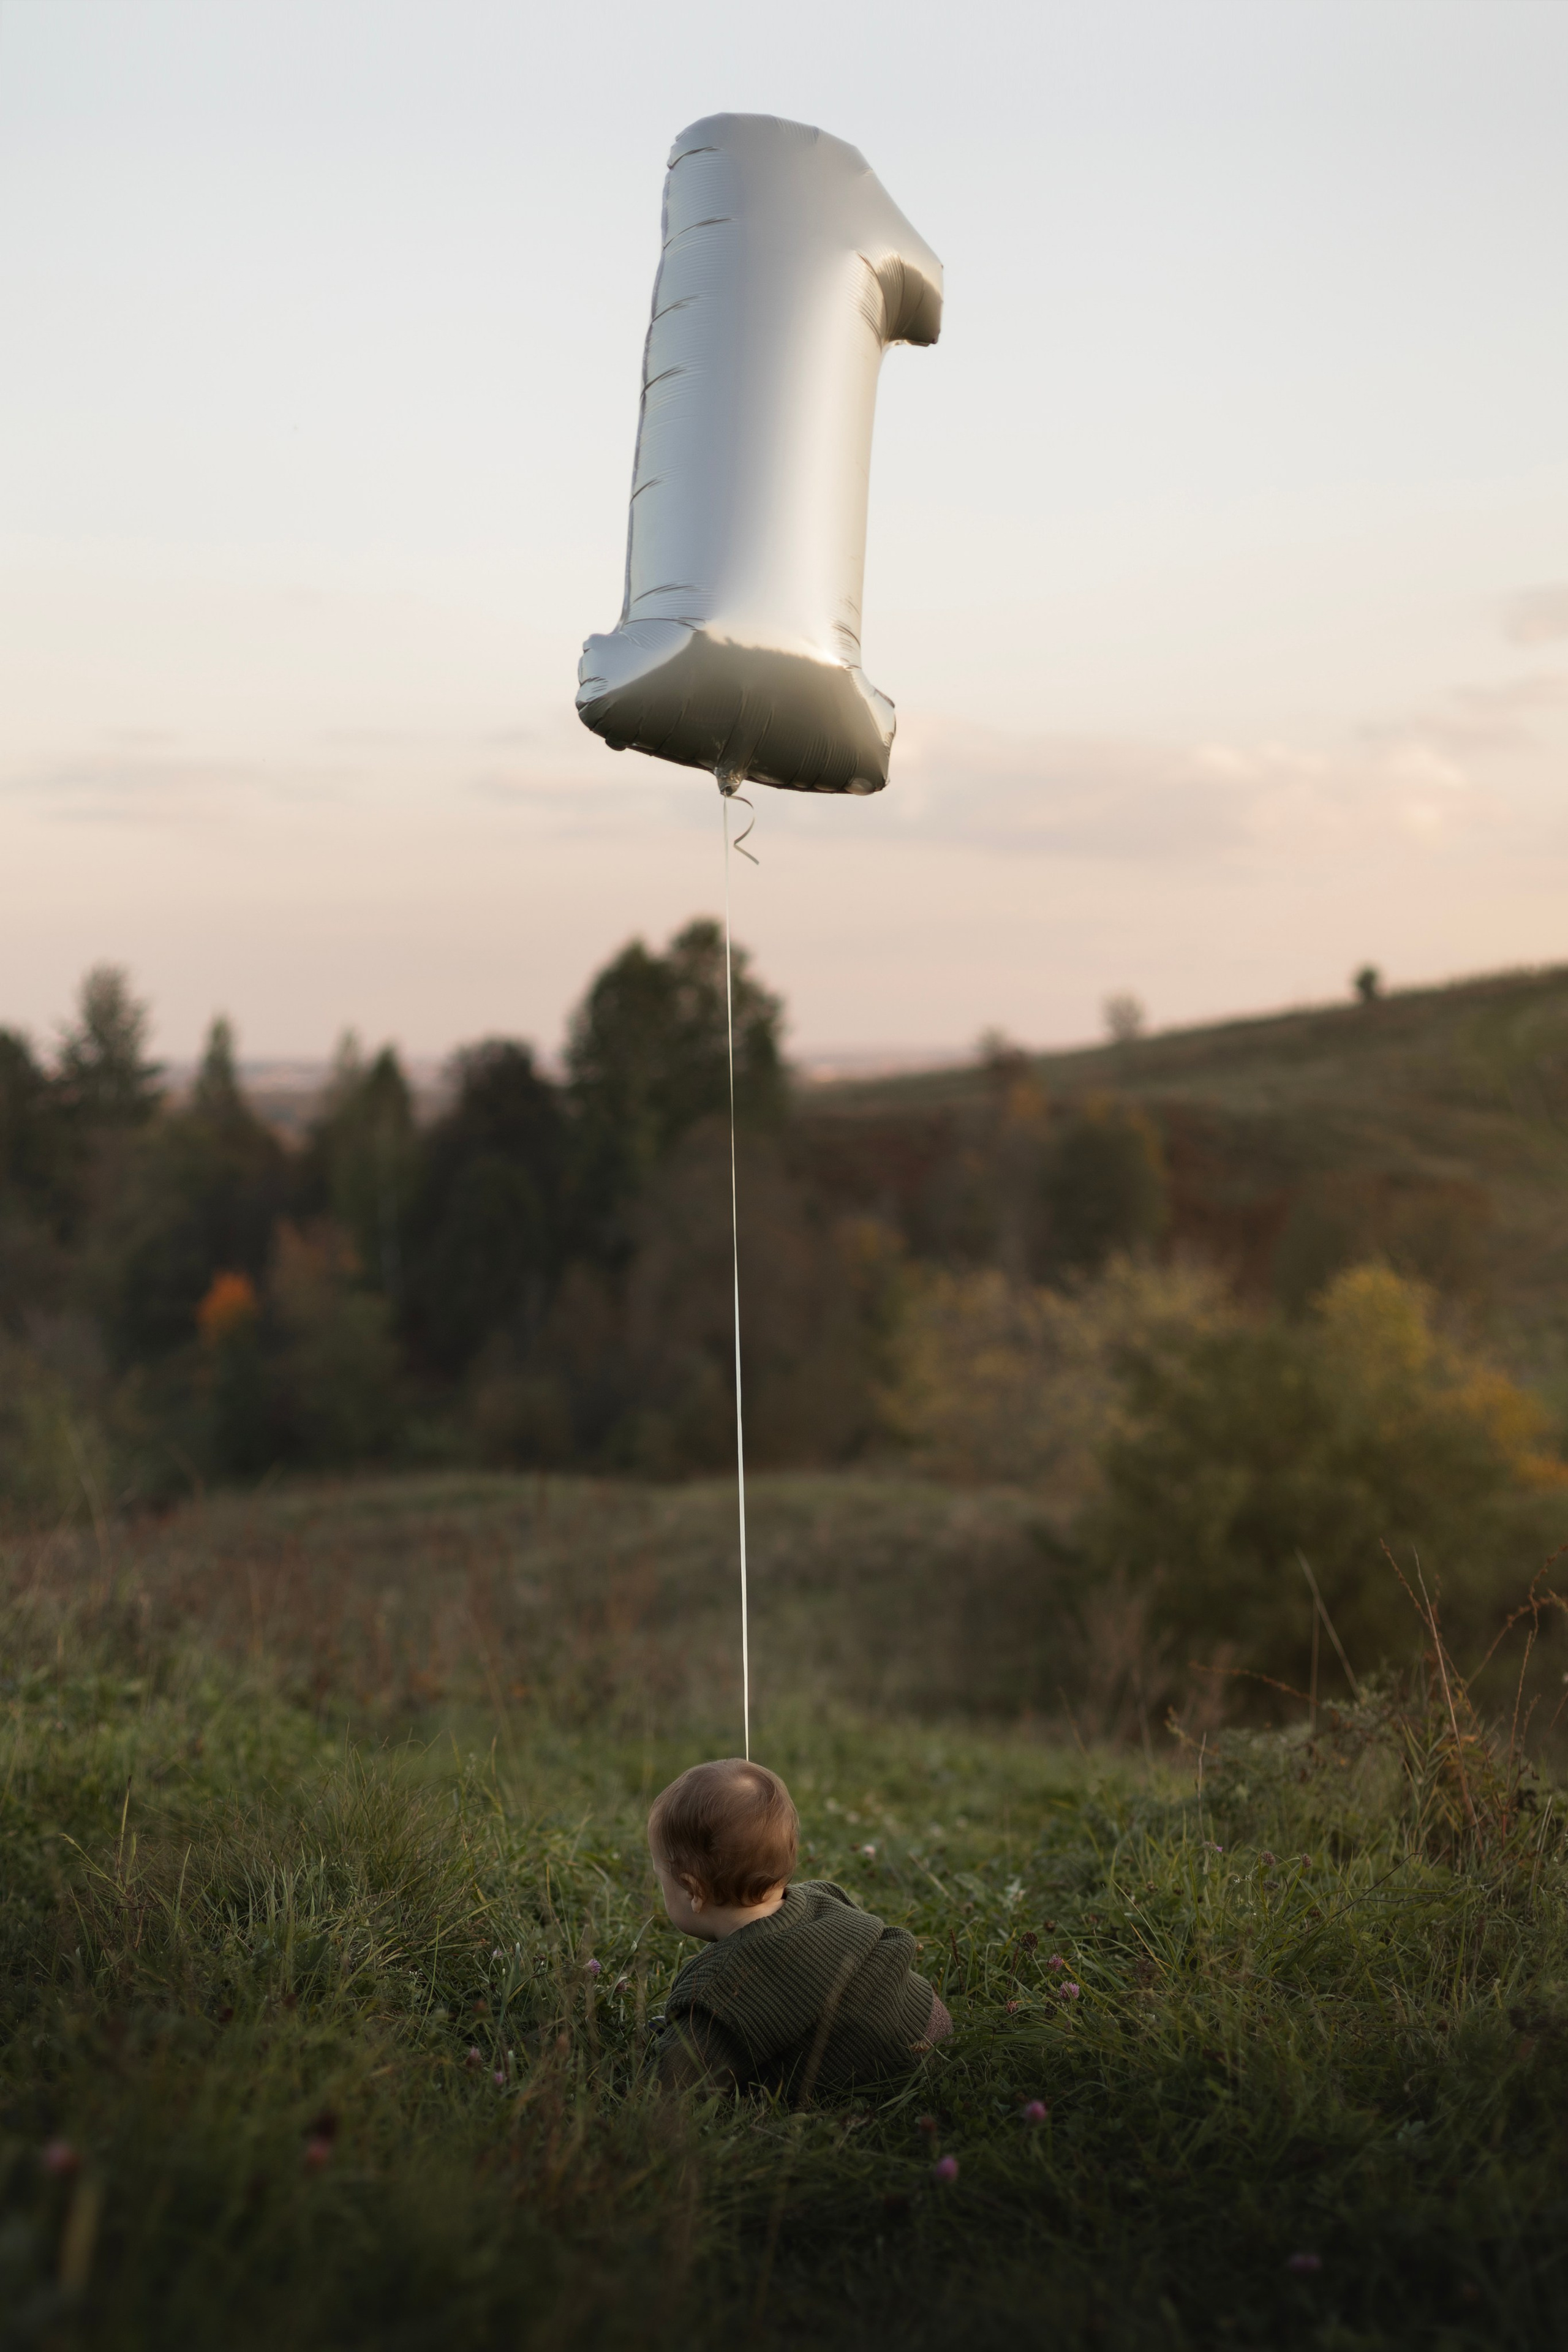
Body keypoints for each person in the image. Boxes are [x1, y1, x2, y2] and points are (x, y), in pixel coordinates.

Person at [647, 1756, 952, 2098]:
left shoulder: (722, 1991)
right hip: (928, 2014)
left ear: (693, 1890)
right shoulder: (823, 1896)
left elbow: (670, 2084)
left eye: (660, 1878)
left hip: (889, 2066)